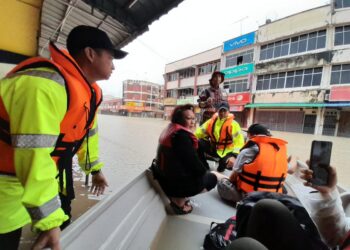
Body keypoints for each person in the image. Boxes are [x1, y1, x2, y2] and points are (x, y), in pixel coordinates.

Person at [0, 25, 127, 250]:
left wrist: (95, 170)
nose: (114, 66)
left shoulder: (90, 93)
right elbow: (33, 155)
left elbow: (87, 136)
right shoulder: (44, 86)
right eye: (110, 57)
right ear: (90, 54)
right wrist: (50, 220)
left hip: (21, 188)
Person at [225, 164, 349, 250]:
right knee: (267, 208)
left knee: (243, 246)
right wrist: (329, 193)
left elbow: (234, 174)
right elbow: (339, 237)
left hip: (246, 191)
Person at [151, 104, 218, 214]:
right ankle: (179, 203)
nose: (192, 122)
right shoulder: (181, 136)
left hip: (163, 178)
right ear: (180, 119)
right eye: (188, 119)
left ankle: (179, 196)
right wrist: (206, 173)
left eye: (193, 118)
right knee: (212, 178)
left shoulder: (171, 130)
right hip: (174, 185)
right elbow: (196, 167)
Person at [216, 123, 290, 203]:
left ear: (251, 135)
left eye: (248, 134)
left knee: (222, 182)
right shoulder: (279, 152)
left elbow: (233, 177)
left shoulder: (246, 152)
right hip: (273, 197)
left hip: (251, 197)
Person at [195, 101, 244, 172]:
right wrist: (190, 138)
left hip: (226, 152)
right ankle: (204, 166)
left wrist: (234, 156)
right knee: (198, 142)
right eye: (221, 110)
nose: (222, 113)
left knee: (223, 168)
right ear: (218, 111)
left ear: (228, 111)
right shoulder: (210, 122)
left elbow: (239, 142)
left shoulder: (234, 124)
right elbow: (199, 132)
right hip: (213, 148)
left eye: (225, 111)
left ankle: (221, 167)